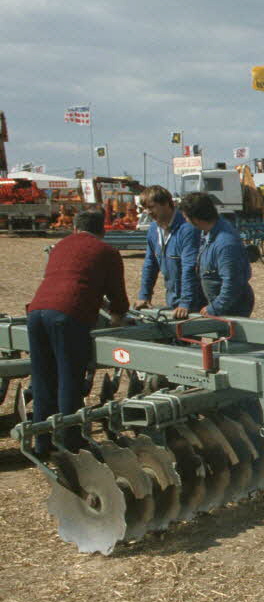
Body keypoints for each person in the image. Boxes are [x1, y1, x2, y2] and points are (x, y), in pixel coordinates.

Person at [26, 208, 128, 454]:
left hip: (37, 312)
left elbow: (66, 279)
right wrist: (118, 318)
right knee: (69, 379)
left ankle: (42, 443)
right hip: (68, 315)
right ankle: (70, 443)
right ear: (102, 230)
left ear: (74, 228)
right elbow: (117, 295)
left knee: (42, 380)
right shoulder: (107, 252)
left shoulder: (60, 246)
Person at [179, 191, 254, 317]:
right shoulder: (207, 233)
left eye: (186, 218)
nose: (186, 222)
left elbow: (233, 283)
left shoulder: (225, 243)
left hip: (232, 308)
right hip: (221, 305)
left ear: (195, 219)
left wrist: (215, 307)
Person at [133, 185, 202, 319]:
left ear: (166, 204)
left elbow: (190, 267)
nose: (148, 212)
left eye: (151, 207)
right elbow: (150, 264)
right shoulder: (153, 229)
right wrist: (144, 296)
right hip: (173, 298)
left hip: (194, 300)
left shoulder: (187, 229)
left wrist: (186, 302)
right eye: (145, 208)